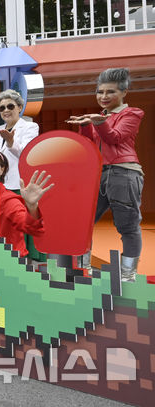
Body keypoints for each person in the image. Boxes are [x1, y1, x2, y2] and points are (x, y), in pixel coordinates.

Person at [67, 68, 144, 282]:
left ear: (124, 92)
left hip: (124, 172)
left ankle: (128, 274)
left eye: (110, 92)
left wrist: (98, 123)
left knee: (127, 226)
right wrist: (85, 126)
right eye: (100, 92)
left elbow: (115, 138)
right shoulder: (99, 116)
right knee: (83, 221)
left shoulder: (132, 113)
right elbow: (92, 144)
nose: (103, 97)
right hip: (99, 174)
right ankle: (82, 267)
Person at [0, 89, 43, 262]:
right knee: (3, 225)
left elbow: (28, 155)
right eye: (2, 108)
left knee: (21, 221)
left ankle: (26, 259)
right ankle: (3, 256)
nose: (5, 110)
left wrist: (12, 142)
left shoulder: (30, 126)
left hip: (18, 181)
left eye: (10, 106)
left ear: (19, 107)